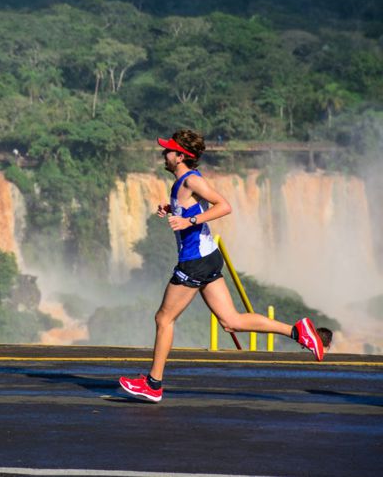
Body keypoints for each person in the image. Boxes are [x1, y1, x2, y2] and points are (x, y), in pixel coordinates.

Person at [119, 130, 332, 403]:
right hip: (208, 256)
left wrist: (189, 222)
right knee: (231, 321)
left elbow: (224, 206)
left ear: (181, 156)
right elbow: (193, 207)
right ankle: (297, 332)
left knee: (164, 319)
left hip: (195, 261)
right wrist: (173, 210)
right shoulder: (181, 183)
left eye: (168, 150)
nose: (164, 154)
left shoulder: (192, 180)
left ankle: (153, 383)